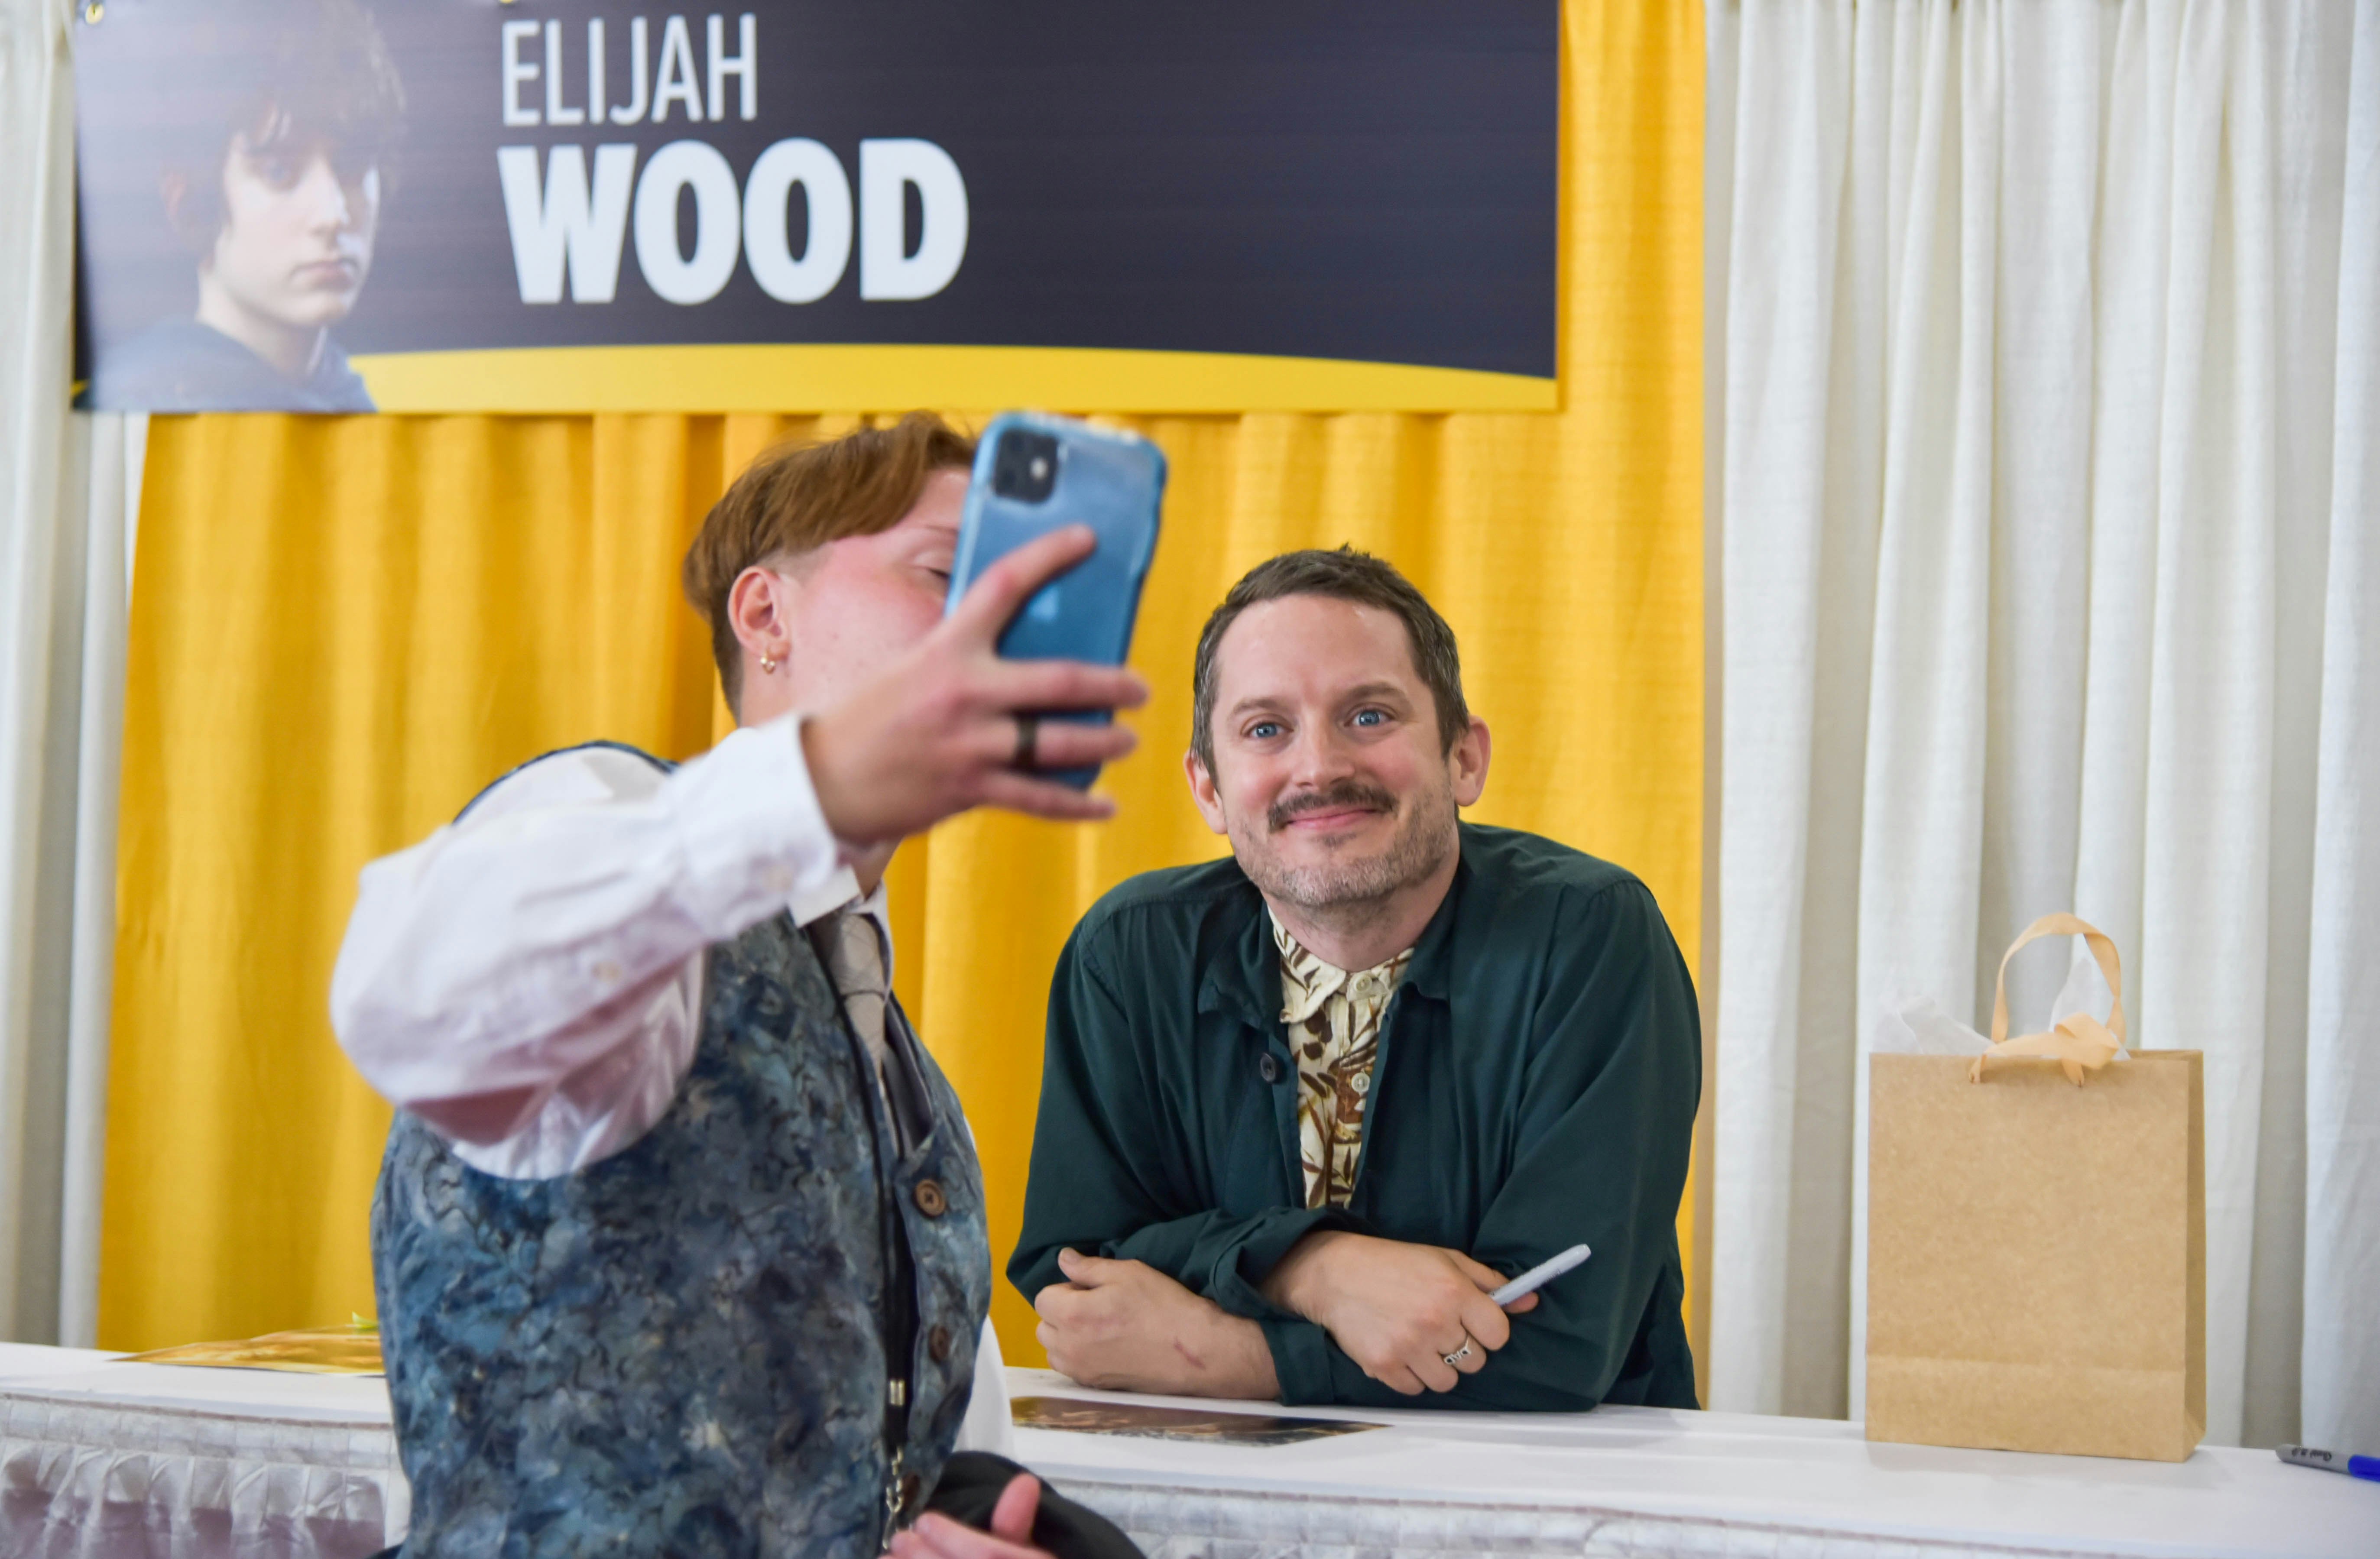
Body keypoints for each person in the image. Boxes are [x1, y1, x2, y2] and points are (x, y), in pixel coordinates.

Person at [334, 415, 1144, 1557]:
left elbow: (911, 1465)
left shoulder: (902, 1071)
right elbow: (406, 994)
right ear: (765, 616)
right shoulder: (608, 818)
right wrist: (802, 785)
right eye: (942, 571)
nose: (991, 622)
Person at [1011, 548, 1700, 1412]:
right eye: (1265, 729)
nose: (1317, 768)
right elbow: (1079, 1284)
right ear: (1209, 788)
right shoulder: (1125, 954)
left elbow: (1560, 1340)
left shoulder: (1591, 937)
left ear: (1463, 758)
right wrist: (1315, 1268)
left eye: (1368, 714)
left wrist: (1224, 1352)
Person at [88, 0, 399, 412]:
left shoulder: (355, 405)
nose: (332, 215)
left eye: (353, 166)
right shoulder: (132, 406)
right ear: (188, 199)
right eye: (278, 172)